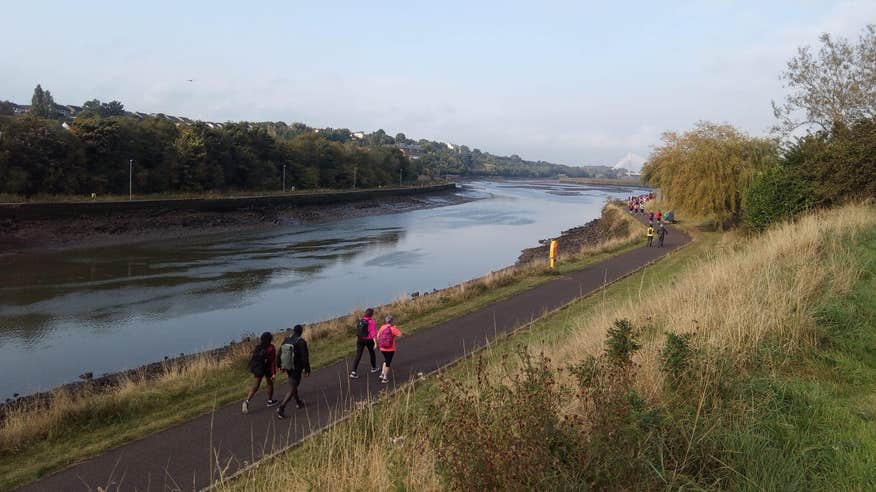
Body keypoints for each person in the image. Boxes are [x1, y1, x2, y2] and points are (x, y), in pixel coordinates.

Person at [276, 324, 311, 418]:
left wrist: (279, 365)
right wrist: (307, 369)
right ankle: (281, 408)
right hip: (296, 368)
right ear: (301, 332)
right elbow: (305, 357)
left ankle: (298, 402)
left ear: (293, 331)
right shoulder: (301, 342)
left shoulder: (286, 339)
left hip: (288, 366)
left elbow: (279, 353)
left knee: (293, 384)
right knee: (293, 387)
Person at [242, 331, 278, 414]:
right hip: (267, 368)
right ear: (270, 340)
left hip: (258, 368)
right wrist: (273, 373)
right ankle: (270, 401)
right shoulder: (271, 348)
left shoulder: (258, 347)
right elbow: (272, 361)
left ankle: (247, 401)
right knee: (269, 383)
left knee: (256, 385)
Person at [350, 308, 380, 379]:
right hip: (369, 340)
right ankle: (373, 368)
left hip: (360, 339)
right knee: (372, 353)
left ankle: (353, 372)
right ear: (371, 315)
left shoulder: (361, 320)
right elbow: (373, 334)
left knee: (358, 355)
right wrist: (376, 343)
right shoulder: (371, 322)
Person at [376, 315, 403, 384]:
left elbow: (378, 336)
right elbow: (400, 335)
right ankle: (385, 378)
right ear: (392, 321)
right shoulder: (393, 328)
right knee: (388, 363)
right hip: (390, 349)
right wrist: (393, 335)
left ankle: (382, 373)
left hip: (382, 348)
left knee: (385, 360)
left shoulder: (382, 327)